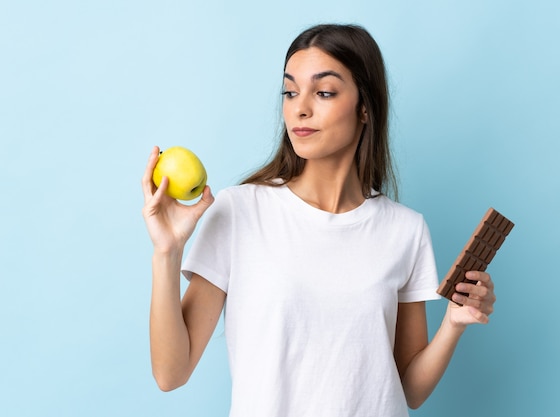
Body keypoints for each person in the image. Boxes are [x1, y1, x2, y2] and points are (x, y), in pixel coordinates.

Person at [141, 23, 495, 417]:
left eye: (323, 92)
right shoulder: (240, 211)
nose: (300, 107)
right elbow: (170, 374)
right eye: (290, 92)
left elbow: (407, 389)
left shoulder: (406, 230)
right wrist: (167, 252)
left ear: (365, 107)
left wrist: (454, 324)